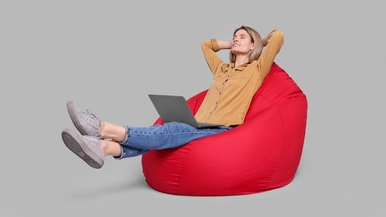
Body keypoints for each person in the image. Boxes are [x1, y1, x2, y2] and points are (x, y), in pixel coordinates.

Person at [61, 26, 284, 169]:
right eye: (234, 36)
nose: (236, 39)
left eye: (242, 37)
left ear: (253, 44)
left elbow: (278, 36)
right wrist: (232, 45)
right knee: (168, 136)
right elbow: (206, 46)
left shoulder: (256, 69)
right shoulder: (222, 69)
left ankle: (102, 128)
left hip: (223, 127)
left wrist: (260, 43)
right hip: (200, 123)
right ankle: (104, 149)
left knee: (168, 131)